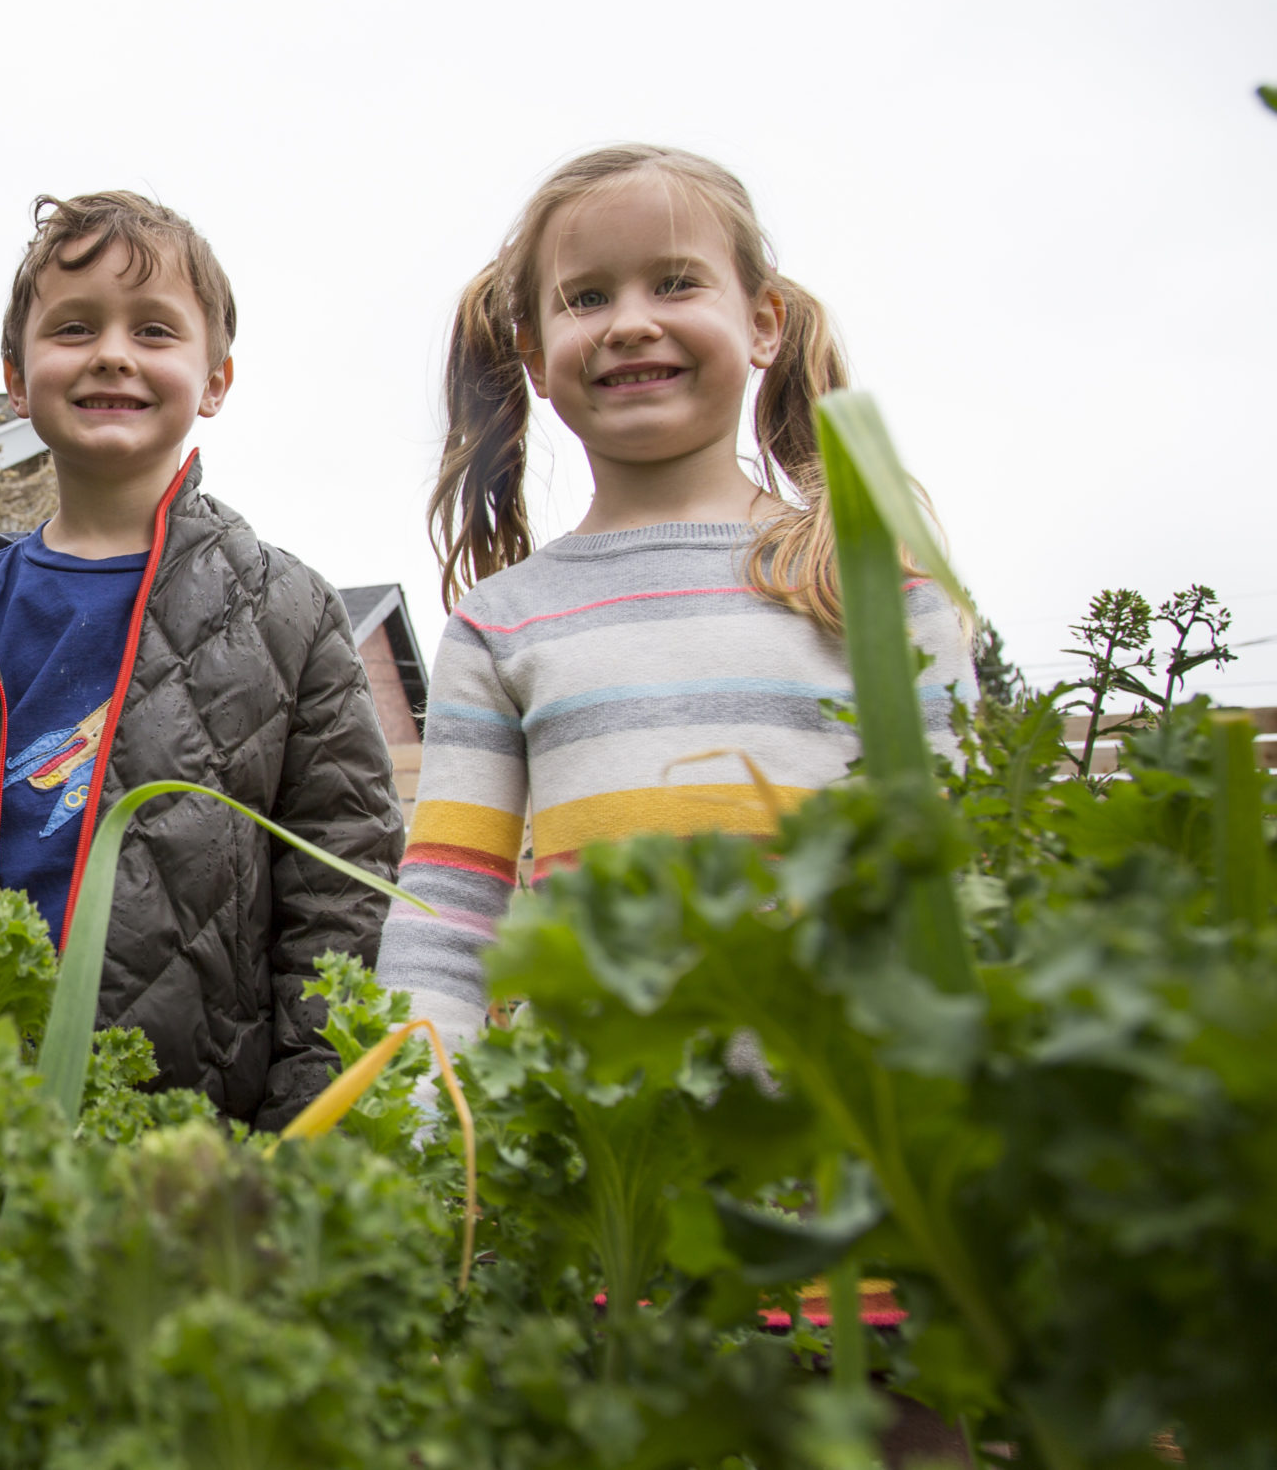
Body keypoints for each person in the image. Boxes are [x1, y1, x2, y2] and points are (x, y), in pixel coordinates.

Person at [0, 192, 403, 1129]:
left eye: (154, 329)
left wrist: (302, 1131)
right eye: (74, 327)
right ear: (16, 377)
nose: (113, 353)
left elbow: (340, 890)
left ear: (215, 379)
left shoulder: (289, 615)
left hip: (183, 1133)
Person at [385, 145, 973, 1048]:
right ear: (535, 357)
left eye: (675, 283)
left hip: (852, 1113)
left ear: (763, 324)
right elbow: (447, 909)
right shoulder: (500, 625)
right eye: (587, 297)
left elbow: (955, 868)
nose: (630, 323)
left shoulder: (871, 590)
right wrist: (424, 1106)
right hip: (602, 1120)